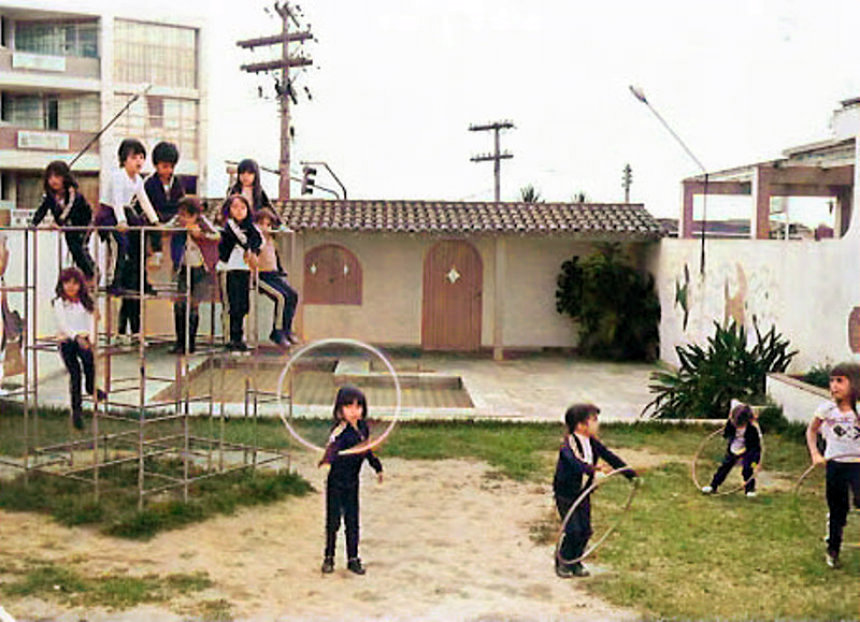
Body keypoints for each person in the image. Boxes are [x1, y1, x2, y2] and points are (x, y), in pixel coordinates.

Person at [553, 403, 636, 578]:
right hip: (566, 494)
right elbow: (576, 463)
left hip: (583, 493)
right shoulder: (569, 444)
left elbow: (611, 457)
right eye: (594, 420)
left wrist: (630, 474)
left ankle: (576, 561)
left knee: (585, 530)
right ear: (580, 425)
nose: (598, 423)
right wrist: (594, 471)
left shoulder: (593, 443)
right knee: (573, 530)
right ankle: (563, 561)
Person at [96, 138, 160, 341]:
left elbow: (144, 201)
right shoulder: (118, 176)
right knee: (120, 245)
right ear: (124, 159)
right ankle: (114, 281)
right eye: (134, 157)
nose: (138, 161)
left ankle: (142, 279)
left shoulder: (138, 180)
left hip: (125, 211)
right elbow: (116, 200)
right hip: (109, 213)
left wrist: (155, 221)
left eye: (141, 157)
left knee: (141, 237)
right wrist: (121, 221)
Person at [319, 385, 383, 576]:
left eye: (358, 406)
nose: (354, 411)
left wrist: (377, 466)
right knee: (333, 522)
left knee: (352, 521)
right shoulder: (340, 431)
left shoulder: (363, 428)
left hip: (352, 483)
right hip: (336, 483)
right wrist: (327, 457)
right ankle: (329, 557)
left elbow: (366, 449)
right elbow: (332, 447)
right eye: (349, 407)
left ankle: (353, 559)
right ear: (340, 410)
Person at [806, 362, 860, 569]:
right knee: (837, 509)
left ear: (854, 383)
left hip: (857, 465)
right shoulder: (826, 409)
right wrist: (815, 454)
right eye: (832, 381)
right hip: (835, 465)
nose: (834, 386)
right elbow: (811, 431)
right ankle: (833, 549)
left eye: (840, 381)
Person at [52, 267, 105, 430]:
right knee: (75, 374)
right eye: (67, 283)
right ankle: (77, 412)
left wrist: (92, 340)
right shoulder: (59, 303)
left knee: (89, 362)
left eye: (75, 283)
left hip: (84, 337)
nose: (71, 287)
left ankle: (91, 387)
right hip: (67, 340)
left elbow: (91, 321)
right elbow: (63, 324)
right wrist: (76, 337)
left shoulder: (85, 301)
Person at [167, 197, 219, 354]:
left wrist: (200, 235)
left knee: (193, 305)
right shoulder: (177, 223)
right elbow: (165, 228)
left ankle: (190, 343)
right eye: (181, 214)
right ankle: (180, 342)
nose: (183, 218)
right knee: (179, 305)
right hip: (183, 269)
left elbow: (216, 236)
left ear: (195, 215)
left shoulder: (203, 223)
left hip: (201, 270)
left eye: (187, 215)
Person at [30, 161, 95, 281]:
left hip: (83, 222)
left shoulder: (72, 192)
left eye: (57, 176)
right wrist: (34, 223)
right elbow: (42, 209)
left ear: (65, 178)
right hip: (68, 226)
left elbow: (70, 208)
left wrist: (59, 223)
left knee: (79, 246)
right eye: (50, 177)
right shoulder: (50, 196)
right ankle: (86, 274)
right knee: (73, 247)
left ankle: (91, 273)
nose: (53, 180)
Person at [217, 194, 261, 351]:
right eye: (235, 207)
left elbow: (257, 240)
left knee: (243, 305)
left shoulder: (250, 227)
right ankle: (231, 337)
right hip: (229, 268)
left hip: (244, 268)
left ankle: (239, 337)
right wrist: (248, 247)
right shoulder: (227, 226)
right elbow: (235, 240)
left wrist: (252, 250)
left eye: (243, 207)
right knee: (232, 304)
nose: (239, 211)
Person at [253, 208, 298, 347]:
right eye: (261, 224)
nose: (265, 228)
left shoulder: (272, 239)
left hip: (273, 275)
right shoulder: (255, 239)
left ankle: (286, 329)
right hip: (260, 276)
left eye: (268, 225)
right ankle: (277, 332)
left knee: (292, 295)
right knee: (281, 297)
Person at [701, 401, 762, 497]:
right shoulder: (731, 424)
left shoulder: (752, 430)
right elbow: (726, 433)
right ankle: (713, 486)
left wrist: (755, 463)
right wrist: (725, 433)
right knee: (724, 466)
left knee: (748, 469)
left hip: (748, 450)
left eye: (739, 424)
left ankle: (750, 489)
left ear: (747, 421)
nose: (737, 425)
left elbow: (756, 448)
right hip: (734, 448)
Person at [143, 141, 185, 267]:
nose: (169, 170)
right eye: (165, 166)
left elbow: (181, 203)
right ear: (156, 165)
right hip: (156, 217)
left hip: (173, 217)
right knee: (150, 219)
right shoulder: (149, 183)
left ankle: (178, 261)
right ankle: (157, 251)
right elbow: (146, 205)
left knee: (182, 227)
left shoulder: (177, 182)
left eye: (172, 167)